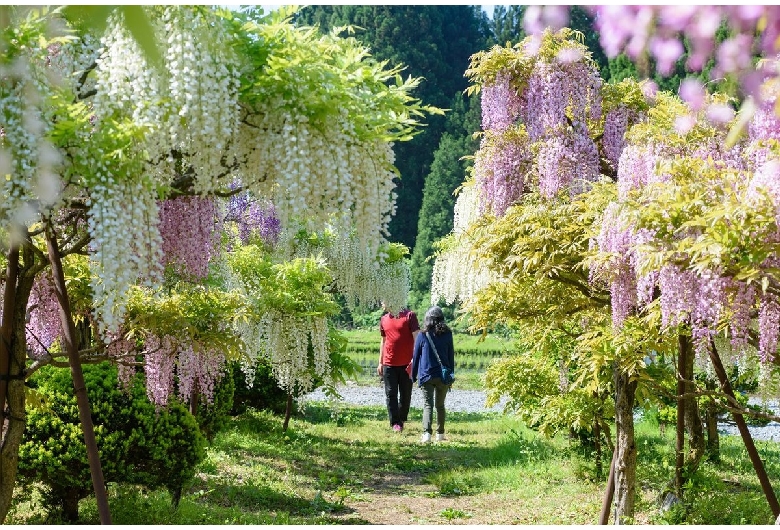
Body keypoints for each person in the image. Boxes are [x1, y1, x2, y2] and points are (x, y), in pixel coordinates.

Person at [411, 305, 455, 444]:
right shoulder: (448, 334)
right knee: (440, 406)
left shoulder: (422, 335)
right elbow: (451, 356)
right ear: (441, 319)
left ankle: (426, 434)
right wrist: (451, 375)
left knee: (428, 405)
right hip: (443, 376)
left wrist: (413, 376)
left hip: (426, 375)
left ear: (427, 319)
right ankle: (440, 434)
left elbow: (416, 356)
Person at [377, 302, 420, 432]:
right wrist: (380, 362)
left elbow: (417, 339)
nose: (382, 303)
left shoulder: (409, 316)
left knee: (405, 395)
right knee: (391, 394)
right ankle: (395, 423)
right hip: (389, 363)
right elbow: (383, 341)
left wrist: (415, 361)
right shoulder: (384, 319)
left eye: (384, 300)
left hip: (407, 364)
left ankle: (401, 419)